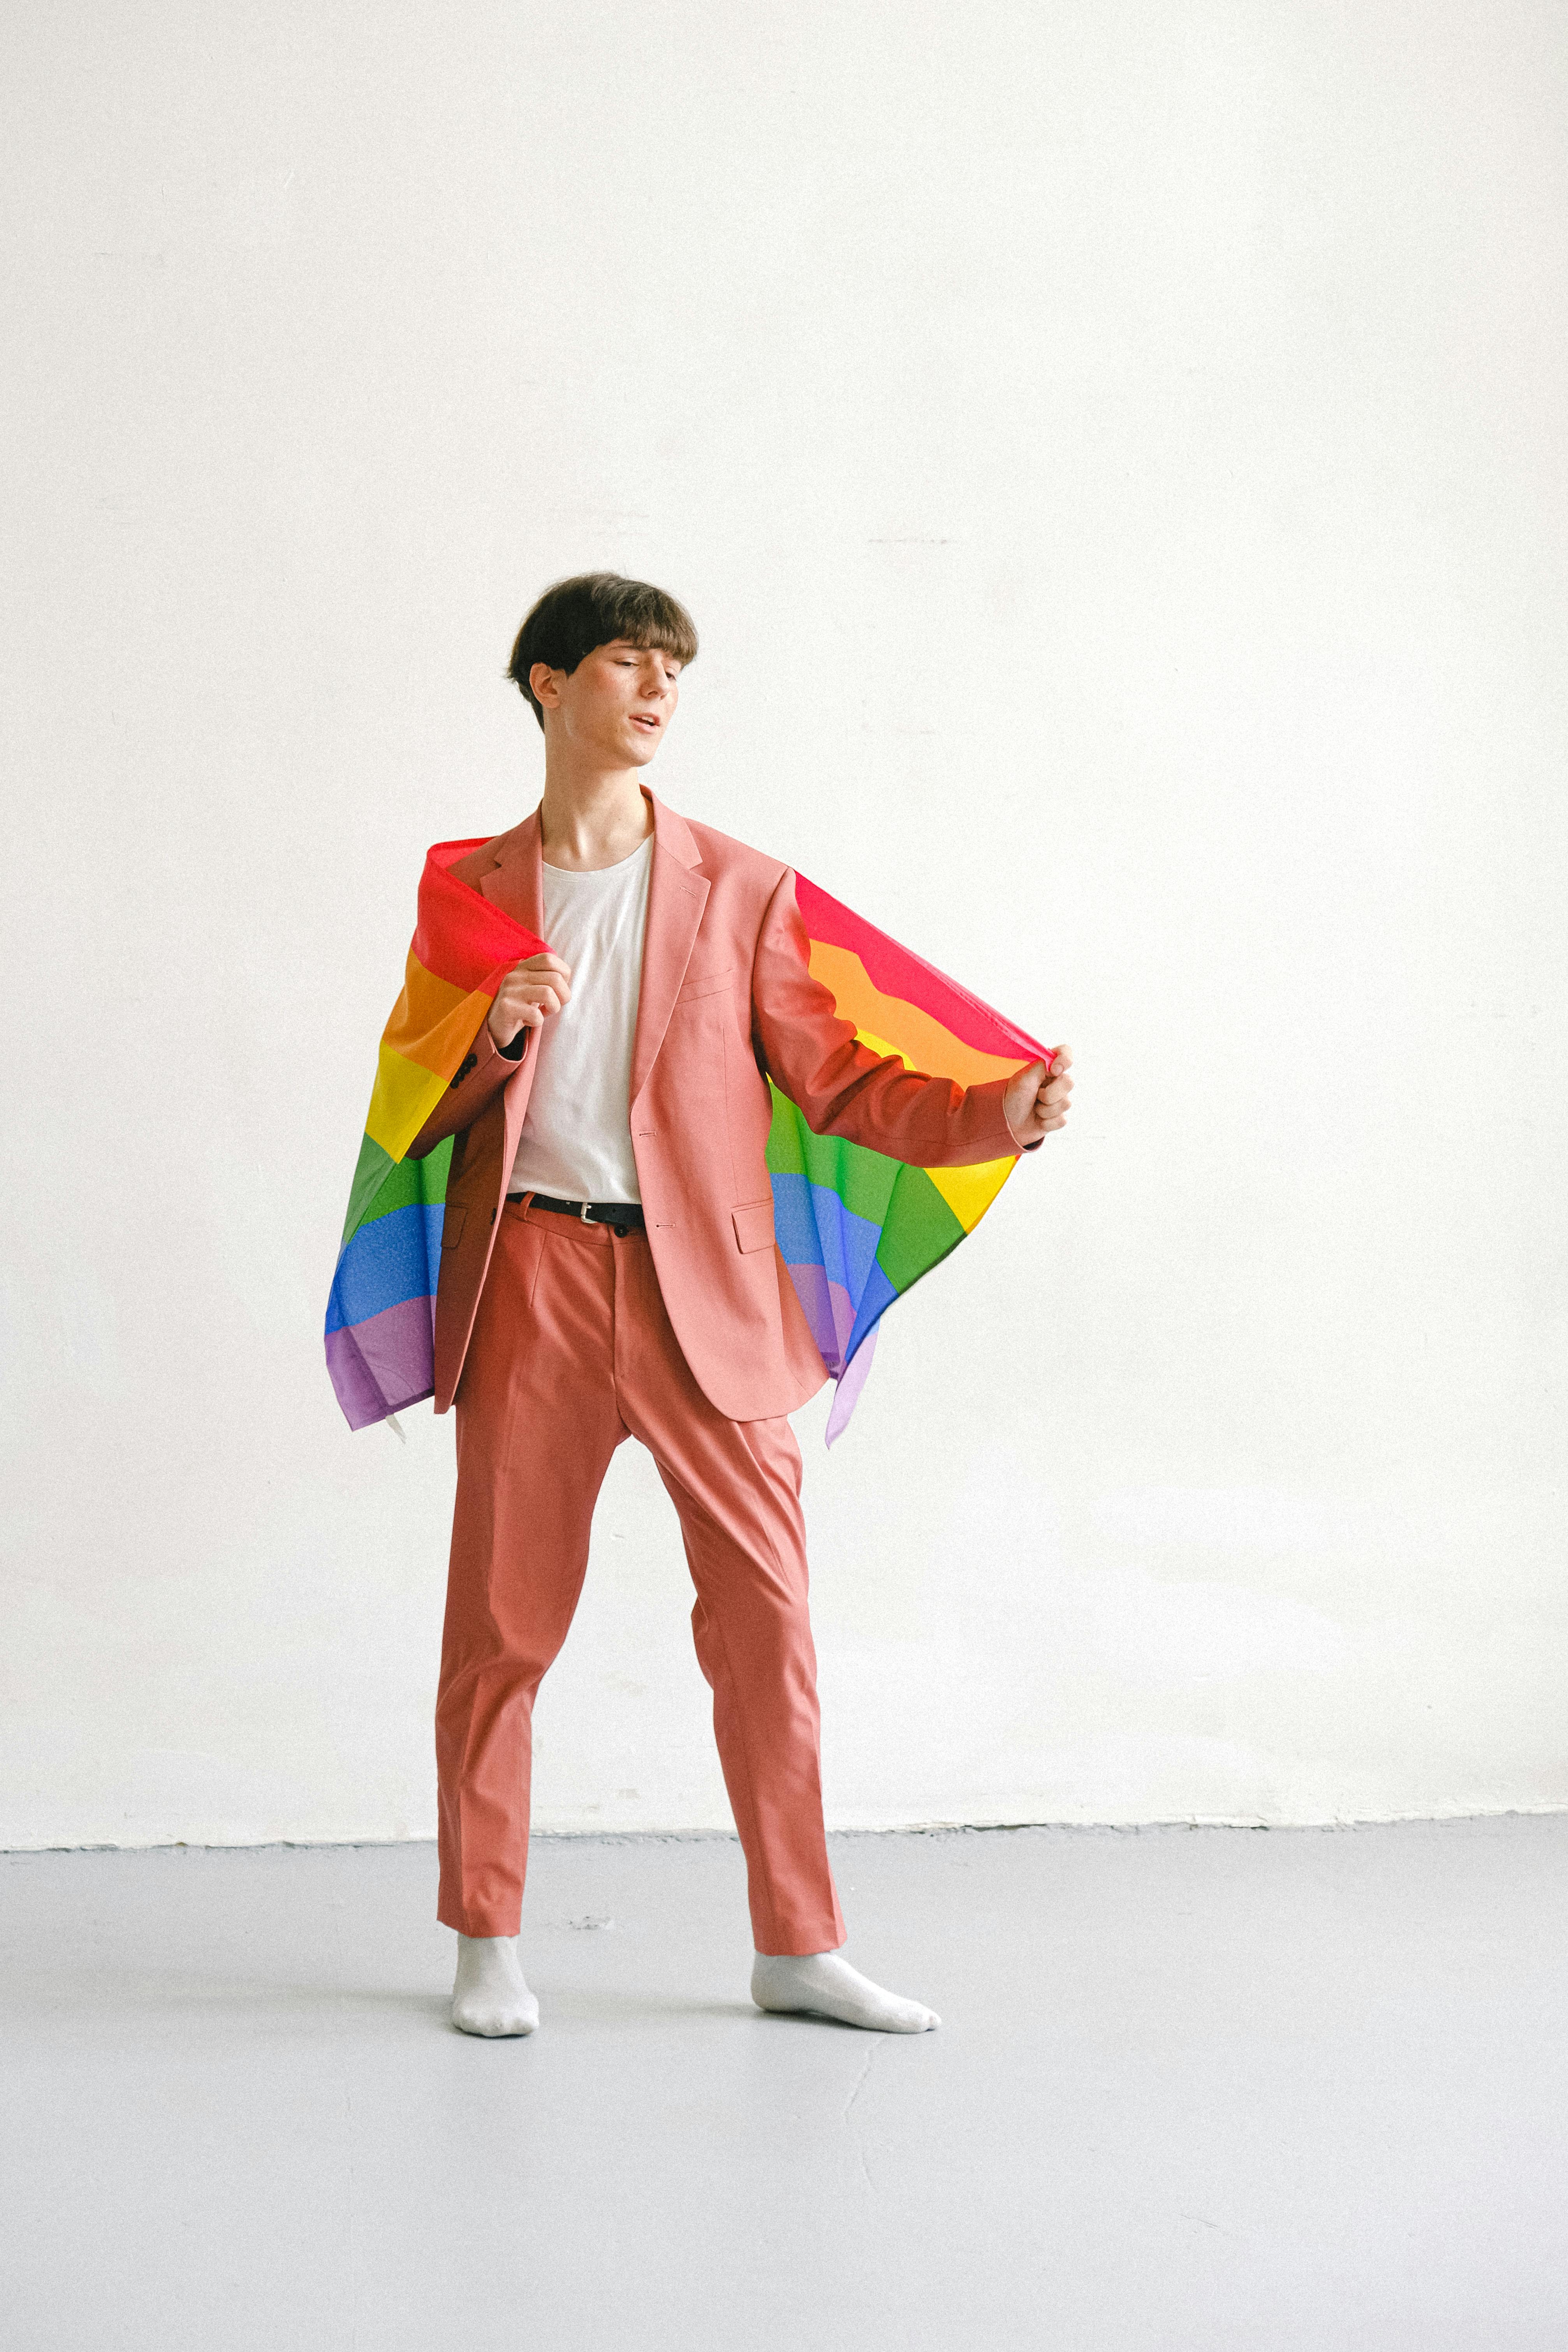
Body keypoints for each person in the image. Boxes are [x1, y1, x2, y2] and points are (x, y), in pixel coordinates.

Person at [405, 573, 1073, 2038]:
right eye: (626, 666)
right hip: (534, 1279)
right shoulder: (464, 885)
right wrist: (494, 1038)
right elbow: (412, 1112)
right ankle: (485, 1937)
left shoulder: (741, 884)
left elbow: (837, 1078)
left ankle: (796, 1945)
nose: (655, 693)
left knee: (767, 1623)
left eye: (672, 672)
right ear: (545, 684)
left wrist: (995, 1112)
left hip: (712, 1289)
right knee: (502, 1630)